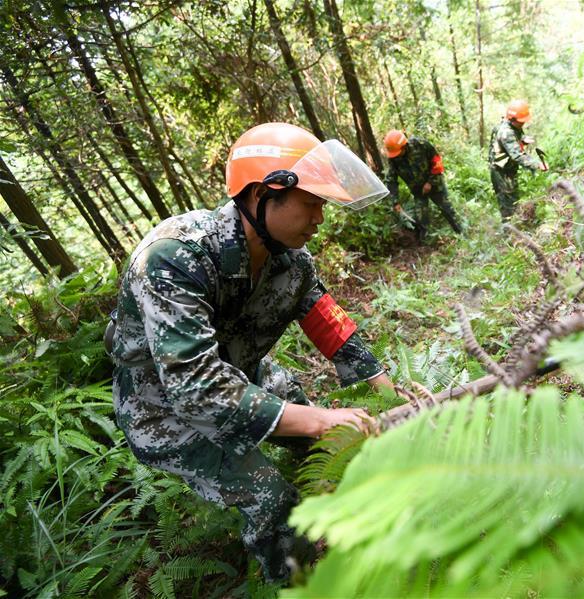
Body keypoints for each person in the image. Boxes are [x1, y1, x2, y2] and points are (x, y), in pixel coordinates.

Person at [108, 122, 393, 583]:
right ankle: (297, 582)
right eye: (311, 204)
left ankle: (347, 515)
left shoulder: (289, 258)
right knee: (272, 498)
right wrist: (320, 417)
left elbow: (328, 322)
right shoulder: (174, 257)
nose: (320, 219)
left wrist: (383, 388)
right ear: (263, 194)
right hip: (162, 407)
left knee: (325, 440)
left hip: (239, 375)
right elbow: (196, 389)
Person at [383, 130, 463, 242]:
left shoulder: (421, 145)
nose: (396, 155)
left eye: (398, 152)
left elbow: (437, 163)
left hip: (435, 185)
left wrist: (430, 182)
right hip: (418, 191)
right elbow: (391, 180)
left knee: (447, 209)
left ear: (404, 146)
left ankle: (461, 234)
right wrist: (395, 201)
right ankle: (426, 243)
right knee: (421, 218)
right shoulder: (394, 159)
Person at [487, 100, 547, 220]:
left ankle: (515, 227)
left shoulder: (509, 125)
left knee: (513, 199)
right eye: (521, 122)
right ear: (512, 119)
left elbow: (512, 138)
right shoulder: (506, 132)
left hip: (507, 169)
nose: (523, 124)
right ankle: (510, 232)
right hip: (501, 172)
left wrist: (522, 140)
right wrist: (537, 164)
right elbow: (517, 155)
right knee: (508, 205)